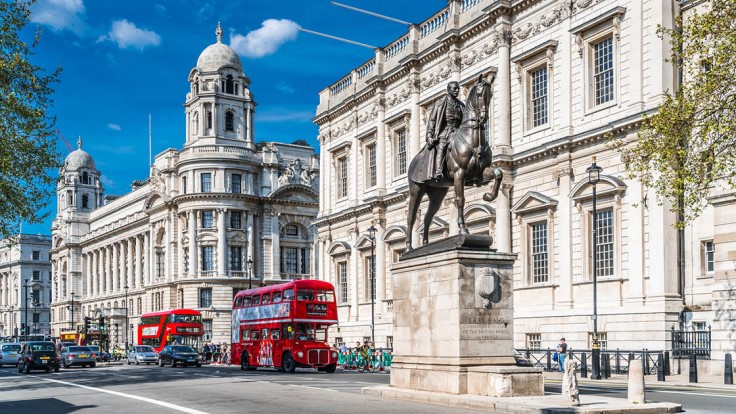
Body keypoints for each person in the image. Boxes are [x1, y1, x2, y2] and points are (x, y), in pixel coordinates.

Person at [425, 81, 465, 180]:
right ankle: (438, 171)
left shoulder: (461, 105)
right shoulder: (440, 103)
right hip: (446, 130)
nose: (457, 91)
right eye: (454, 89)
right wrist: (430, 135)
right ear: (448, 90)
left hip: (458, 131)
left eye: (458, 89)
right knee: (442, 146)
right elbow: (432, 120)